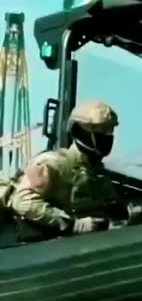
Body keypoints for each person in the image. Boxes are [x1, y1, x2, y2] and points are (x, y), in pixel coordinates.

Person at [8, 101, 128, 236]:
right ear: (80, 131)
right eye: (100, 130)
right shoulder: (52, 164)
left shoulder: (98, 175)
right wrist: (71, 224)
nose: (107, 136)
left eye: (109, 130)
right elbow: (22, 201)